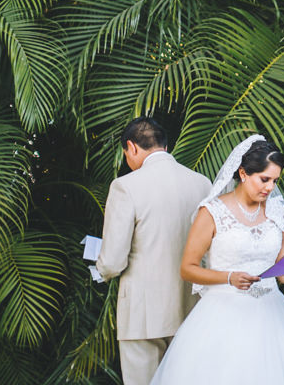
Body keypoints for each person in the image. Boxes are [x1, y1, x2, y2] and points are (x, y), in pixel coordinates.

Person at [148, 135, 284, 384]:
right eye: (264, 179)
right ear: (243, 173)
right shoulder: (212, 212)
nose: (270, 188)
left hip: (272, 316)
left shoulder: (277, 212)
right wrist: (229, 277)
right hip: (222, 315)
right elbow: (187, 268)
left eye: (275, 181)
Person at [95, 118, 212, 385]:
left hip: (142, 313)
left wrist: (99, 267)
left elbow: (112, 261)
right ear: (165, 145)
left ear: (131, 147)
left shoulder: (125, 186)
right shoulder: (201, 183)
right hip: (193, 306)